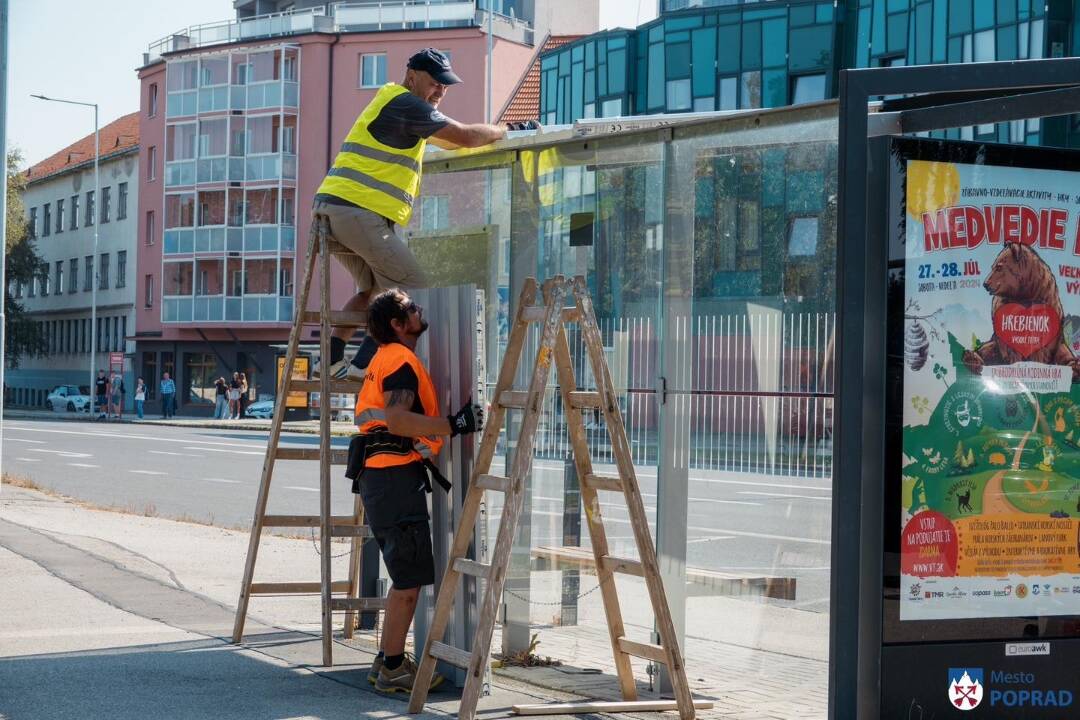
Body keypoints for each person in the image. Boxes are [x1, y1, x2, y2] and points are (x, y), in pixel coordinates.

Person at [311, 48, 507, 381]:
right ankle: (364, 365)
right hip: (356, 210)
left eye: (445, 87)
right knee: (411, 288)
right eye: (435, 84)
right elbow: (465, 137)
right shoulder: (404, 103)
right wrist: (504, 129)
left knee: (370, 293)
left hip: (337, 210)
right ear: (412, 76)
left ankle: (329, 360)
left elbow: (450, 141)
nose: (440, 92)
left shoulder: (399, 105)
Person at [347, 288, 483, 694]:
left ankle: (386, 660)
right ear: (397, 323)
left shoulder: (385, 358)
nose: (418, 309)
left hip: (384, 478)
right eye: (410, 308)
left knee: (404, 575)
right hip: (392, 479)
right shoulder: (400, 360)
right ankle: (391, 669)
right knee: (408, 581)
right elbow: (400, 420)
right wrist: (455, 425)